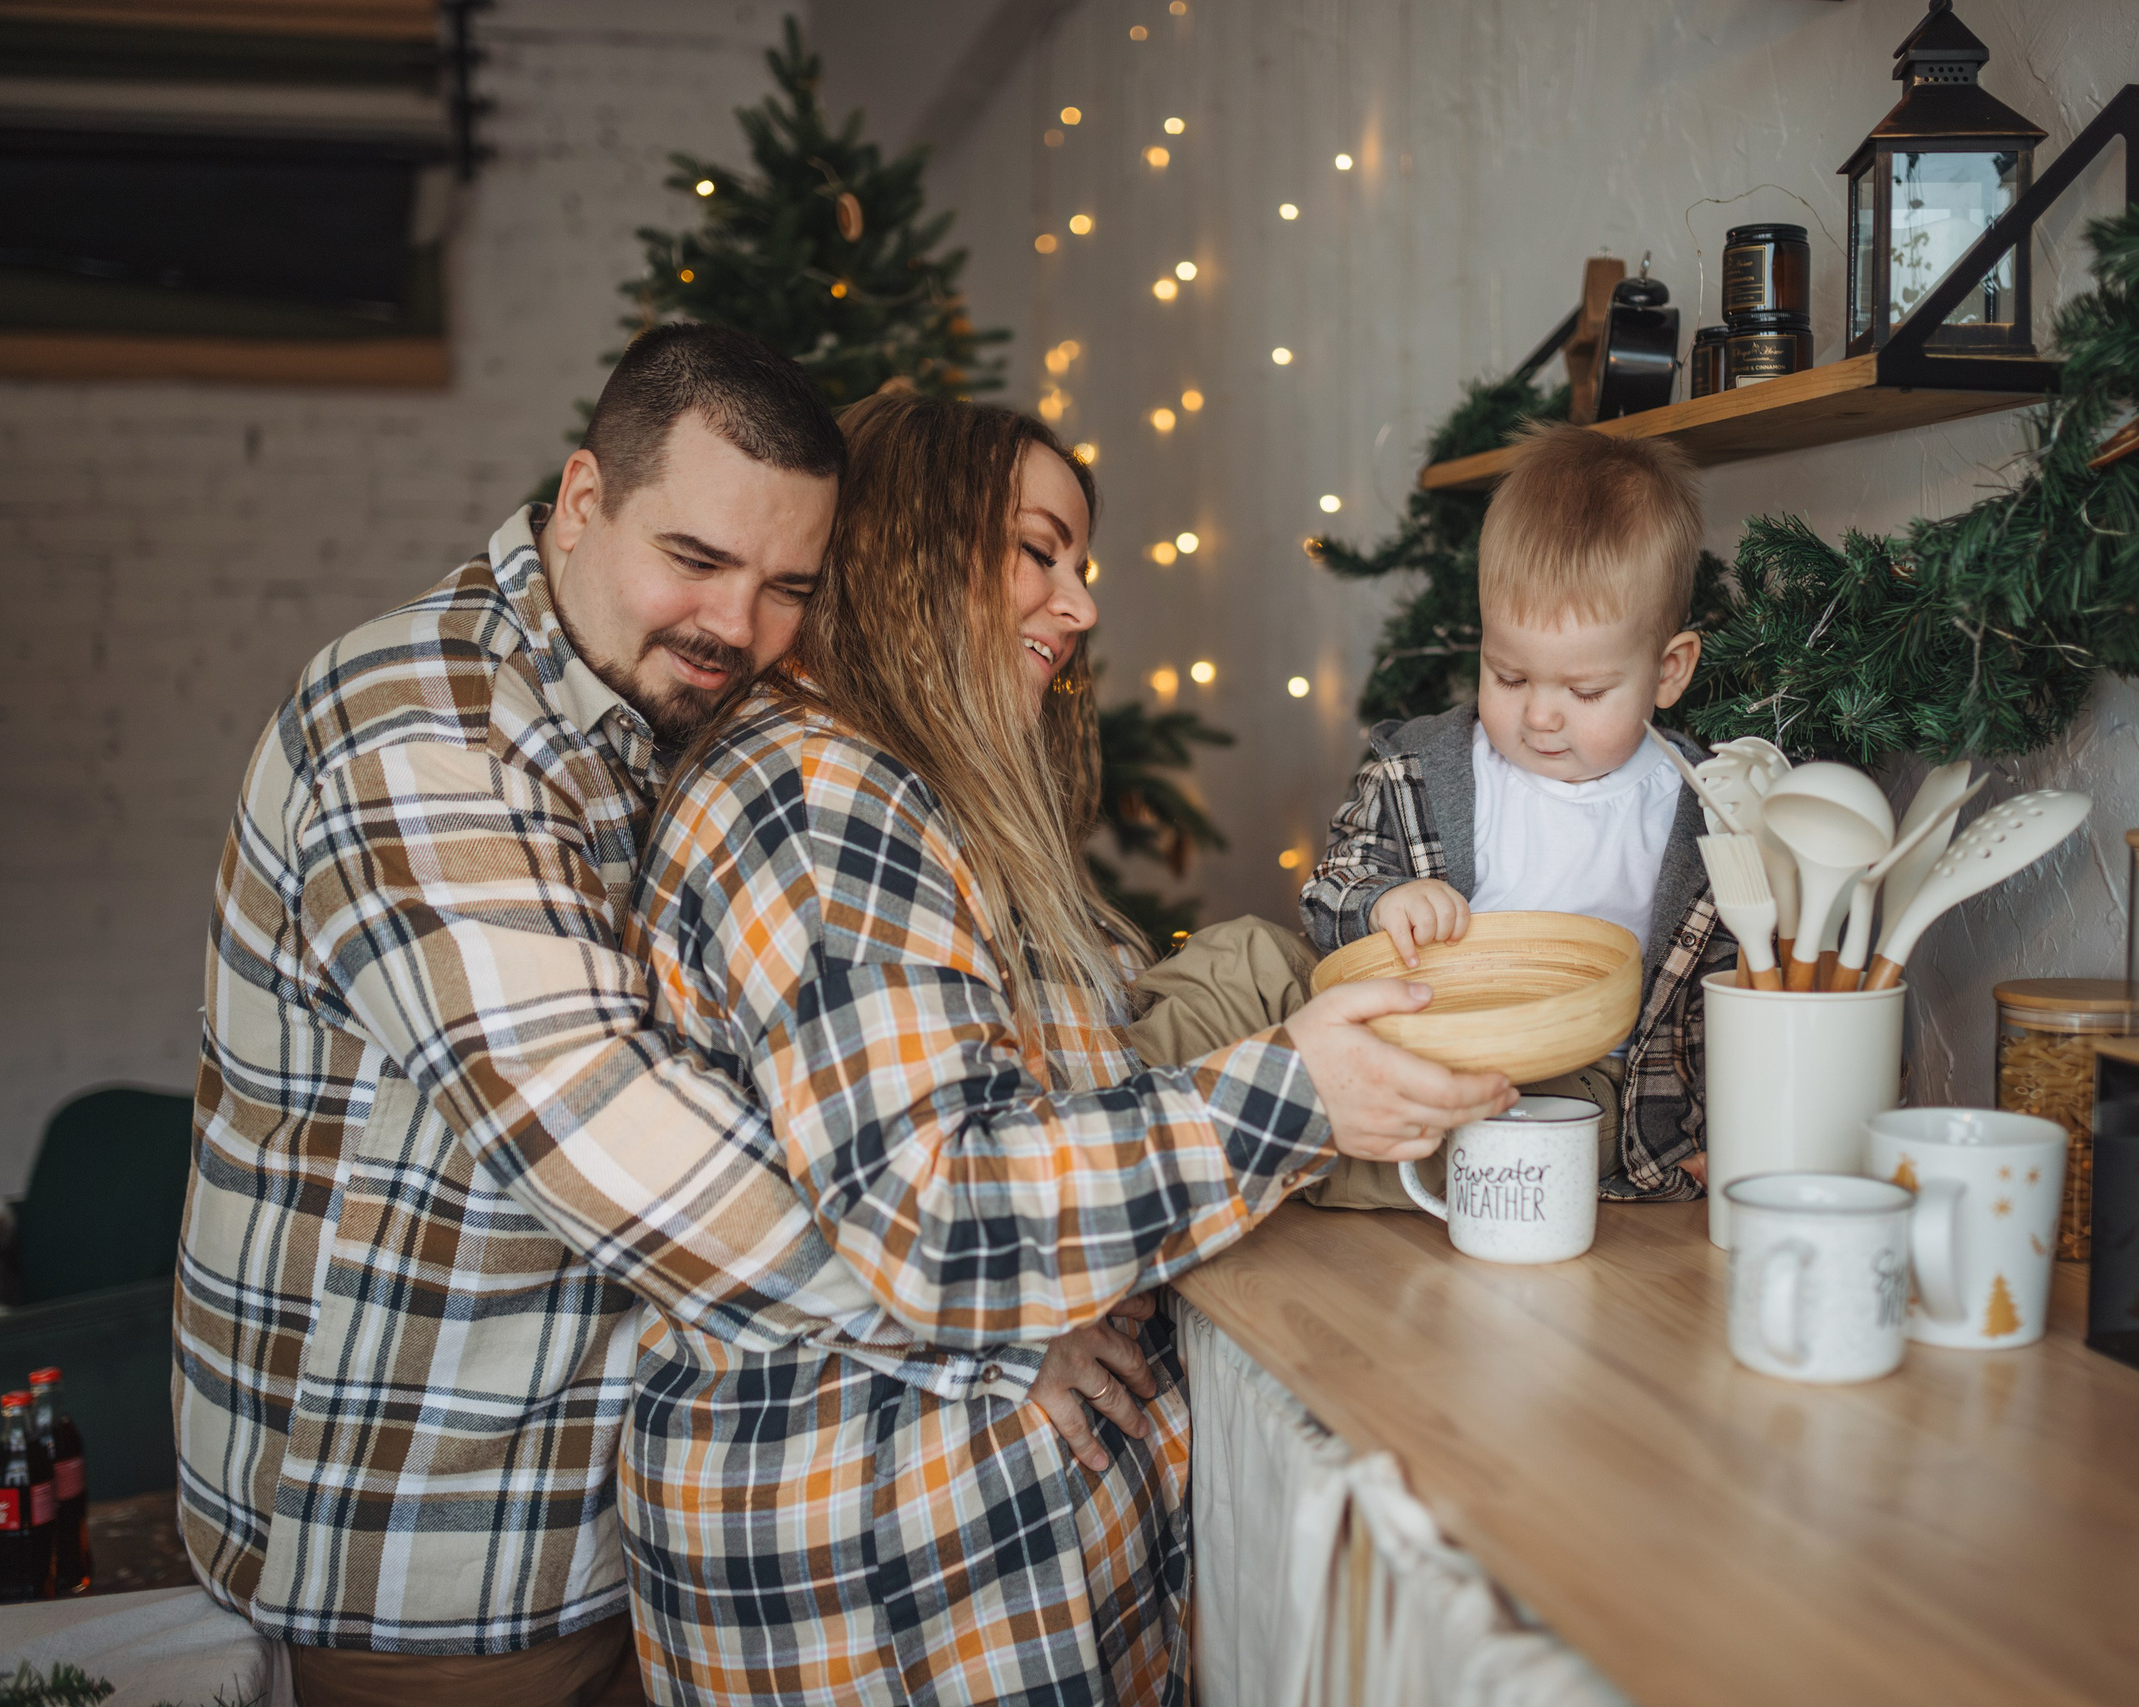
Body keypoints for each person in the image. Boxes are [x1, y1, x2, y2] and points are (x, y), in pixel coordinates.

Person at [176, 325, 1149, 1706]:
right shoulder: (422, 728)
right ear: (582, 499)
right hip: (425, 1544)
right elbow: (597, 1122)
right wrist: (984, 1307)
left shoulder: (668, 704)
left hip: (610, 1508)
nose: (735, 626)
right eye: (694, 557)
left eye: (786, 586)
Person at [620, 390, 1515, 1705]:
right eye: (1038, 551)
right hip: (895, 1573)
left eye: (1080, 564)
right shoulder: (827, 797)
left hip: (986, 1549)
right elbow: (941, 1206)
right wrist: (1295, 1091)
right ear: (914, 540)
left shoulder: (911, 788)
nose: (1080, 604)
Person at [1299, 422, 1722, 1206]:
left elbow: (1733, 995)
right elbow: (1329, 886)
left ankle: (1287, 1150)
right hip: (1404, 1029)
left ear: (1668, 670)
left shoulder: (1704, 815)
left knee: (1551, 1124)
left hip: (1565, 1077)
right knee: (1242, 958)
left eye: (1585, 691)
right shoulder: (1422, 770)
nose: (1540, 717)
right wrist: (1383, 901)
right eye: (1509, 676)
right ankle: (1140, 1108)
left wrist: (1708, 1130)